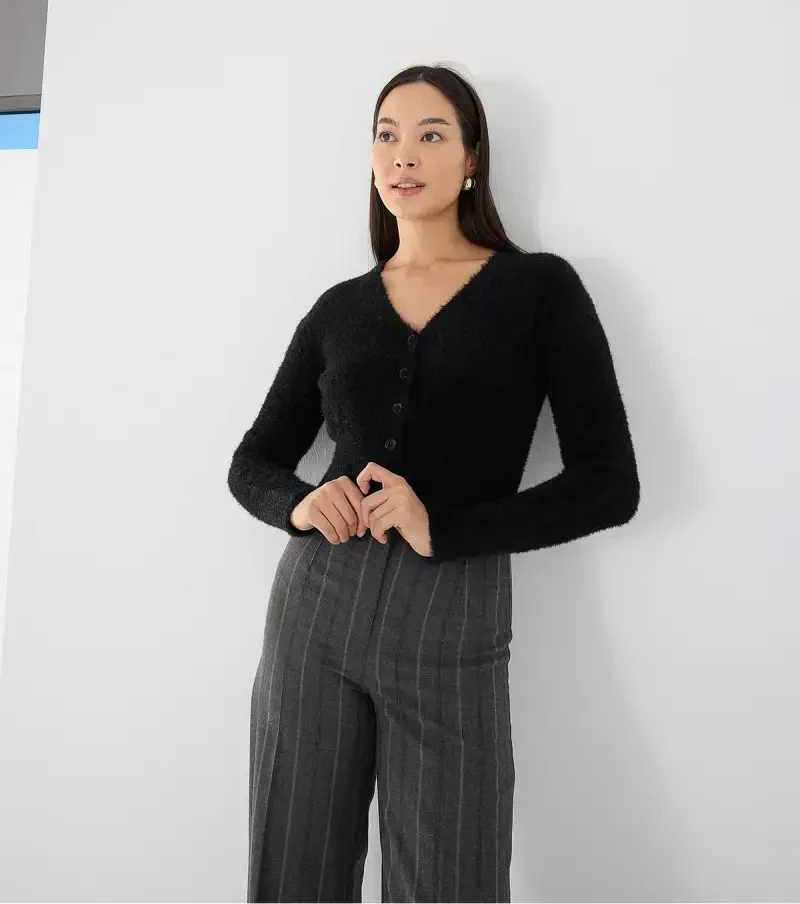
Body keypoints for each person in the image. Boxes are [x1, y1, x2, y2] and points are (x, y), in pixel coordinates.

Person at [227, 64, 640, 903]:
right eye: (386, 135)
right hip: (315, 608)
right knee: (292, 870)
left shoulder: (539, 289)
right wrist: (301, 503)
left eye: (430, 134)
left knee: (453, 878)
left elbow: (610, 483)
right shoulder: (338, 309)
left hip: (453, 615)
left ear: (471, 158)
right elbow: (253, 462)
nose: (403, 155)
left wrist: (444, 527)